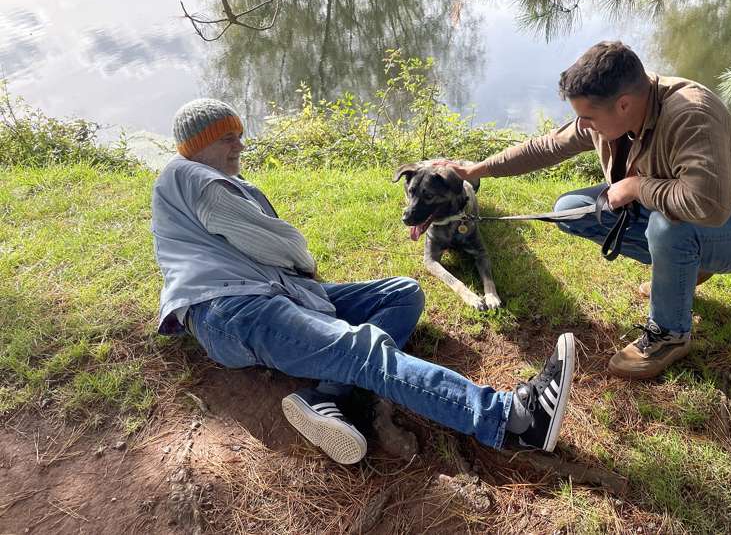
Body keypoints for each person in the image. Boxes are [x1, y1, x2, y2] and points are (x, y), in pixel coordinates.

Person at [150, 98, 576, 465]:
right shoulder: (196, 178)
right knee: (363, 350)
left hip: (265, 295)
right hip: (236, 310)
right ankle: (514, 420)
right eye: (228, 138)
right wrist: (303, 261)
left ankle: (326, 395)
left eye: (239, 135)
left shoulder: (204, 180)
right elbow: (272, 242)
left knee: (402, 293)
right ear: (198, 144)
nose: (240, 145)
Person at [443, 42, 731, 380]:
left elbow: (708, 207)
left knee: (670, 229)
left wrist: (637, 187)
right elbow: (546, 147)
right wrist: (476, 170)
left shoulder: (691, 115)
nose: (584, 125)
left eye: (588, 118)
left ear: (623, 105)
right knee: (571, 210)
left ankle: (669, 334)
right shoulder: (612, 110)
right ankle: (683, 269)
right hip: (681, 214)